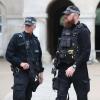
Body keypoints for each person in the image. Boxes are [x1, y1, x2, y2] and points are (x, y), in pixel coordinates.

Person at [54, 6, 91, 100]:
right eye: (65, 14)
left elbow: (86, 52)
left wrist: (74, 66)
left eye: (68, 14)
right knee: (60, 97)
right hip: (63, 69)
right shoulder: (64, 29)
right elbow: (60, 47)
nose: (65, 16)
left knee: (82, 97)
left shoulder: (83, 30)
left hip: (78, 69)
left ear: (75, 15)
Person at [6, 17, 44, 100]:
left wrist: (40, 73)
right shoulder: (17, 37)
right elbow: (8, 55)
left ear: (34, 26)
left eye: (29, 25)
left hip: (32, 74)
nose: (27, 27)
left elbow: (38, 58)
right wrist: (20, 63)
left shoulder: (35, 40)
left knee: (28, 97)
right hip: (20, 74)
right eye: (26, 25)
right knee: (19, 97)